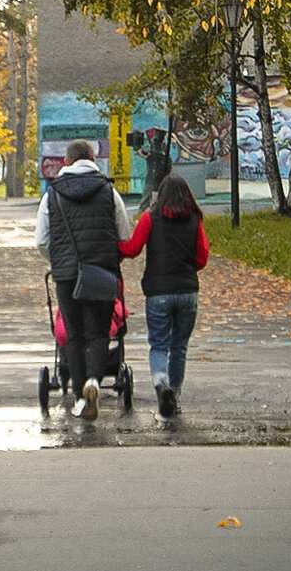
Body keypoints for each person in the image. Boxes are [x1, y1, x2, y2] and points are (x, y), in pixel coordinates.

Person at [34, 139, 132, 420]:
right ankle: (94, 380)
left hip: (66, 276)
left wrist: (58, 261)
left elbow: (41, 239)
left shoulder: (52, 195)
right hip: (101, 272)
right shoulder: (109, 191)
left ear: (66, 162)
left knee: (74, 336)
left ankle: (79, 396)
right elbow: (123, 234)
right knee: (99, 332)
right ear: (92, 158)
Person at [118, 172, 209, 418]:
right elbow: (202, 256)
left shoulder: (151, 218)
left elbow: (133, 248)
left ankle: (161, 383)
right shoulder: (194, 219)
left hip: (158, 292)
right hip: (187, 291)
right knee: (179, 346)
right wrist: (187, 270)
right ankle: (175, 396)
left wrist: (113, 246)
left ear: (162, 194)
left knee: (159, 344)